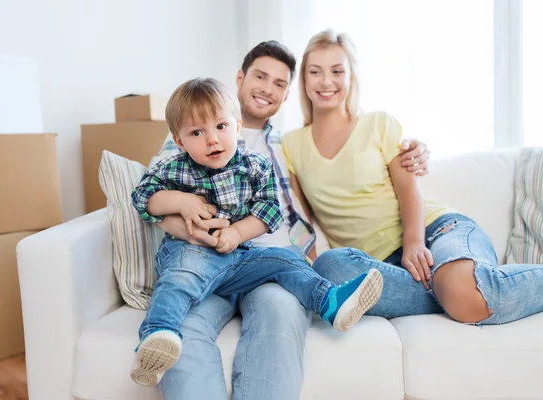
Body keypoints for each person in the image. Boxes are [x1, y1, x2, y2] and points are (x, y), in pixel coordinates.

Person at [149, 41, 430, 400]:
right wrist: (191, 230)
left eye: (279, 84)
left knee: (279, 317)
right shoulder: (191, 131)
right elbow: (153, 200)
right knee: (180, 327)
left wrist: (415, 150)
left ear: (286, 97)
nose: (267, 88)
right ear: (240, 78)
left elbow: (352, 162)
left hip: (272, 266)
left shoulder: (291, 145)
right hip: (206, 261)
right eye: (260, 76)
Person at [130, 77, 383, 386]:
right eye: (197, 132)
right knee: (179, 278)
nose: (212, 140)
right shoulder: (175, 167)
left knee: (285, 260)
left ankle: (329, 301)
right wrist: (179, 201)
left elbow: (268, 211)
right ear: (180, 141)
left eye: (221, 127)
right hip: (191, 251)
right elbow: (142, 197)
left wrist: (237, 233)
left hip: (237, 256)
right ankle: (158, 335)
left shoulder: (255, 165)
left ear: (237, 126)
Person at [284, 28, 543, 326]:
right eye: (315, 72)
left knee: (464, 294)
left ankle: (456, 289)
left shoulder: (378, 124)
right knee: (328, 265)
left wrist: (414, 244)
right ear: (303, 79)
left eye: (337, 71)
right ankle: (449, 293)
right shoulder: (291, 146)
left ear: (351, 77)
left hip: (437, 231)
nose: (326, 81)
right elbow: (300, 220)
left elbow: (409, 190)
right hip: (381, 268)